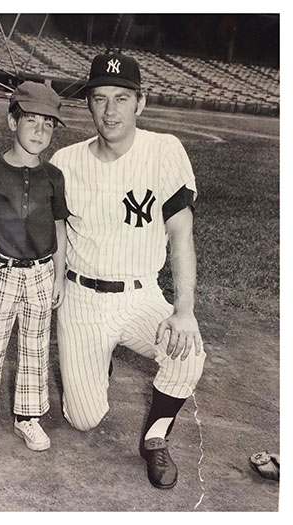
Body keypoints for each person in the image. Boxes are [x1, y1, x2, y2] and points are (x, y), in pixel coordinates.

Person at [50, 53, 206, 489]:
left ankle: (155, 438)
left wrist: (184, 310)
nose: (110, 110)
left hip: (140, 295)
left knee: (188, 352)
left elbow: (181, 236)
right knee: (83, 418)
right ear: (88, 103)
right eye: (100, 98)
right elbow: (52, 234)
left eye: (121, 98)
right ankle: (96, 364)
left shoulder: (164, 150)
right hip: (81, 299)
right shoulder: (65, 161)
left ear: (141, 102)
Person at [0, 81, 69, 453]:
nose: (40, 130)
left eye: (49, 124)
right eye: (32, 120)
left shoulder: (53, 176)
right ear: (12, 122)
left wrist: (59, 276)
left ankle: (28, 417)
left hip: (41, 273)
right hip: (2, 272)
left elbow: (59, 227)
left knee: (35, 350)